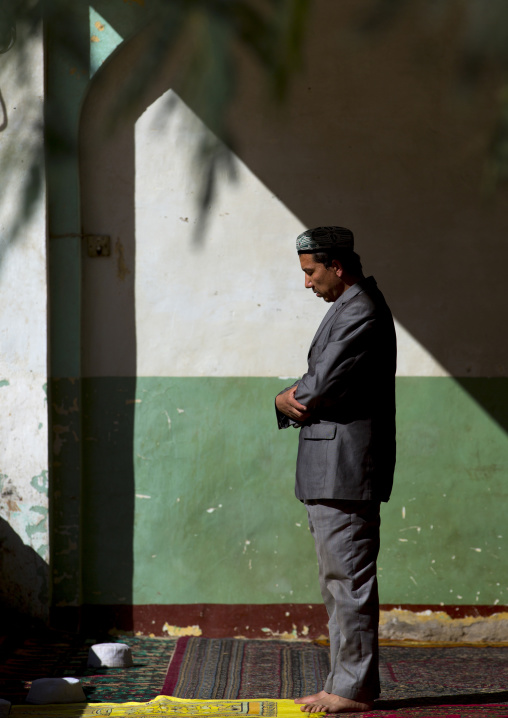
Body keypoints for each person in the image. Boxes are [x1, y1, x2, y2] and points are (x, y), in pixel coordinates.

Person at [275, 226, 396, 714]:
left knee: (347, 580)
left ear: (337, 266)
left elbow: (316, 388)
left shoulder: (360, 311)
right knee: (340, 579)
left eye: (311, 272)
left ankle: (351, 689)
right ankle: (348, 684)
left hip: (344, 469)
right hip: (336, 468)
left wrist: (283, 398)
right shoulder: (350, 308)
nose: (307, 283)